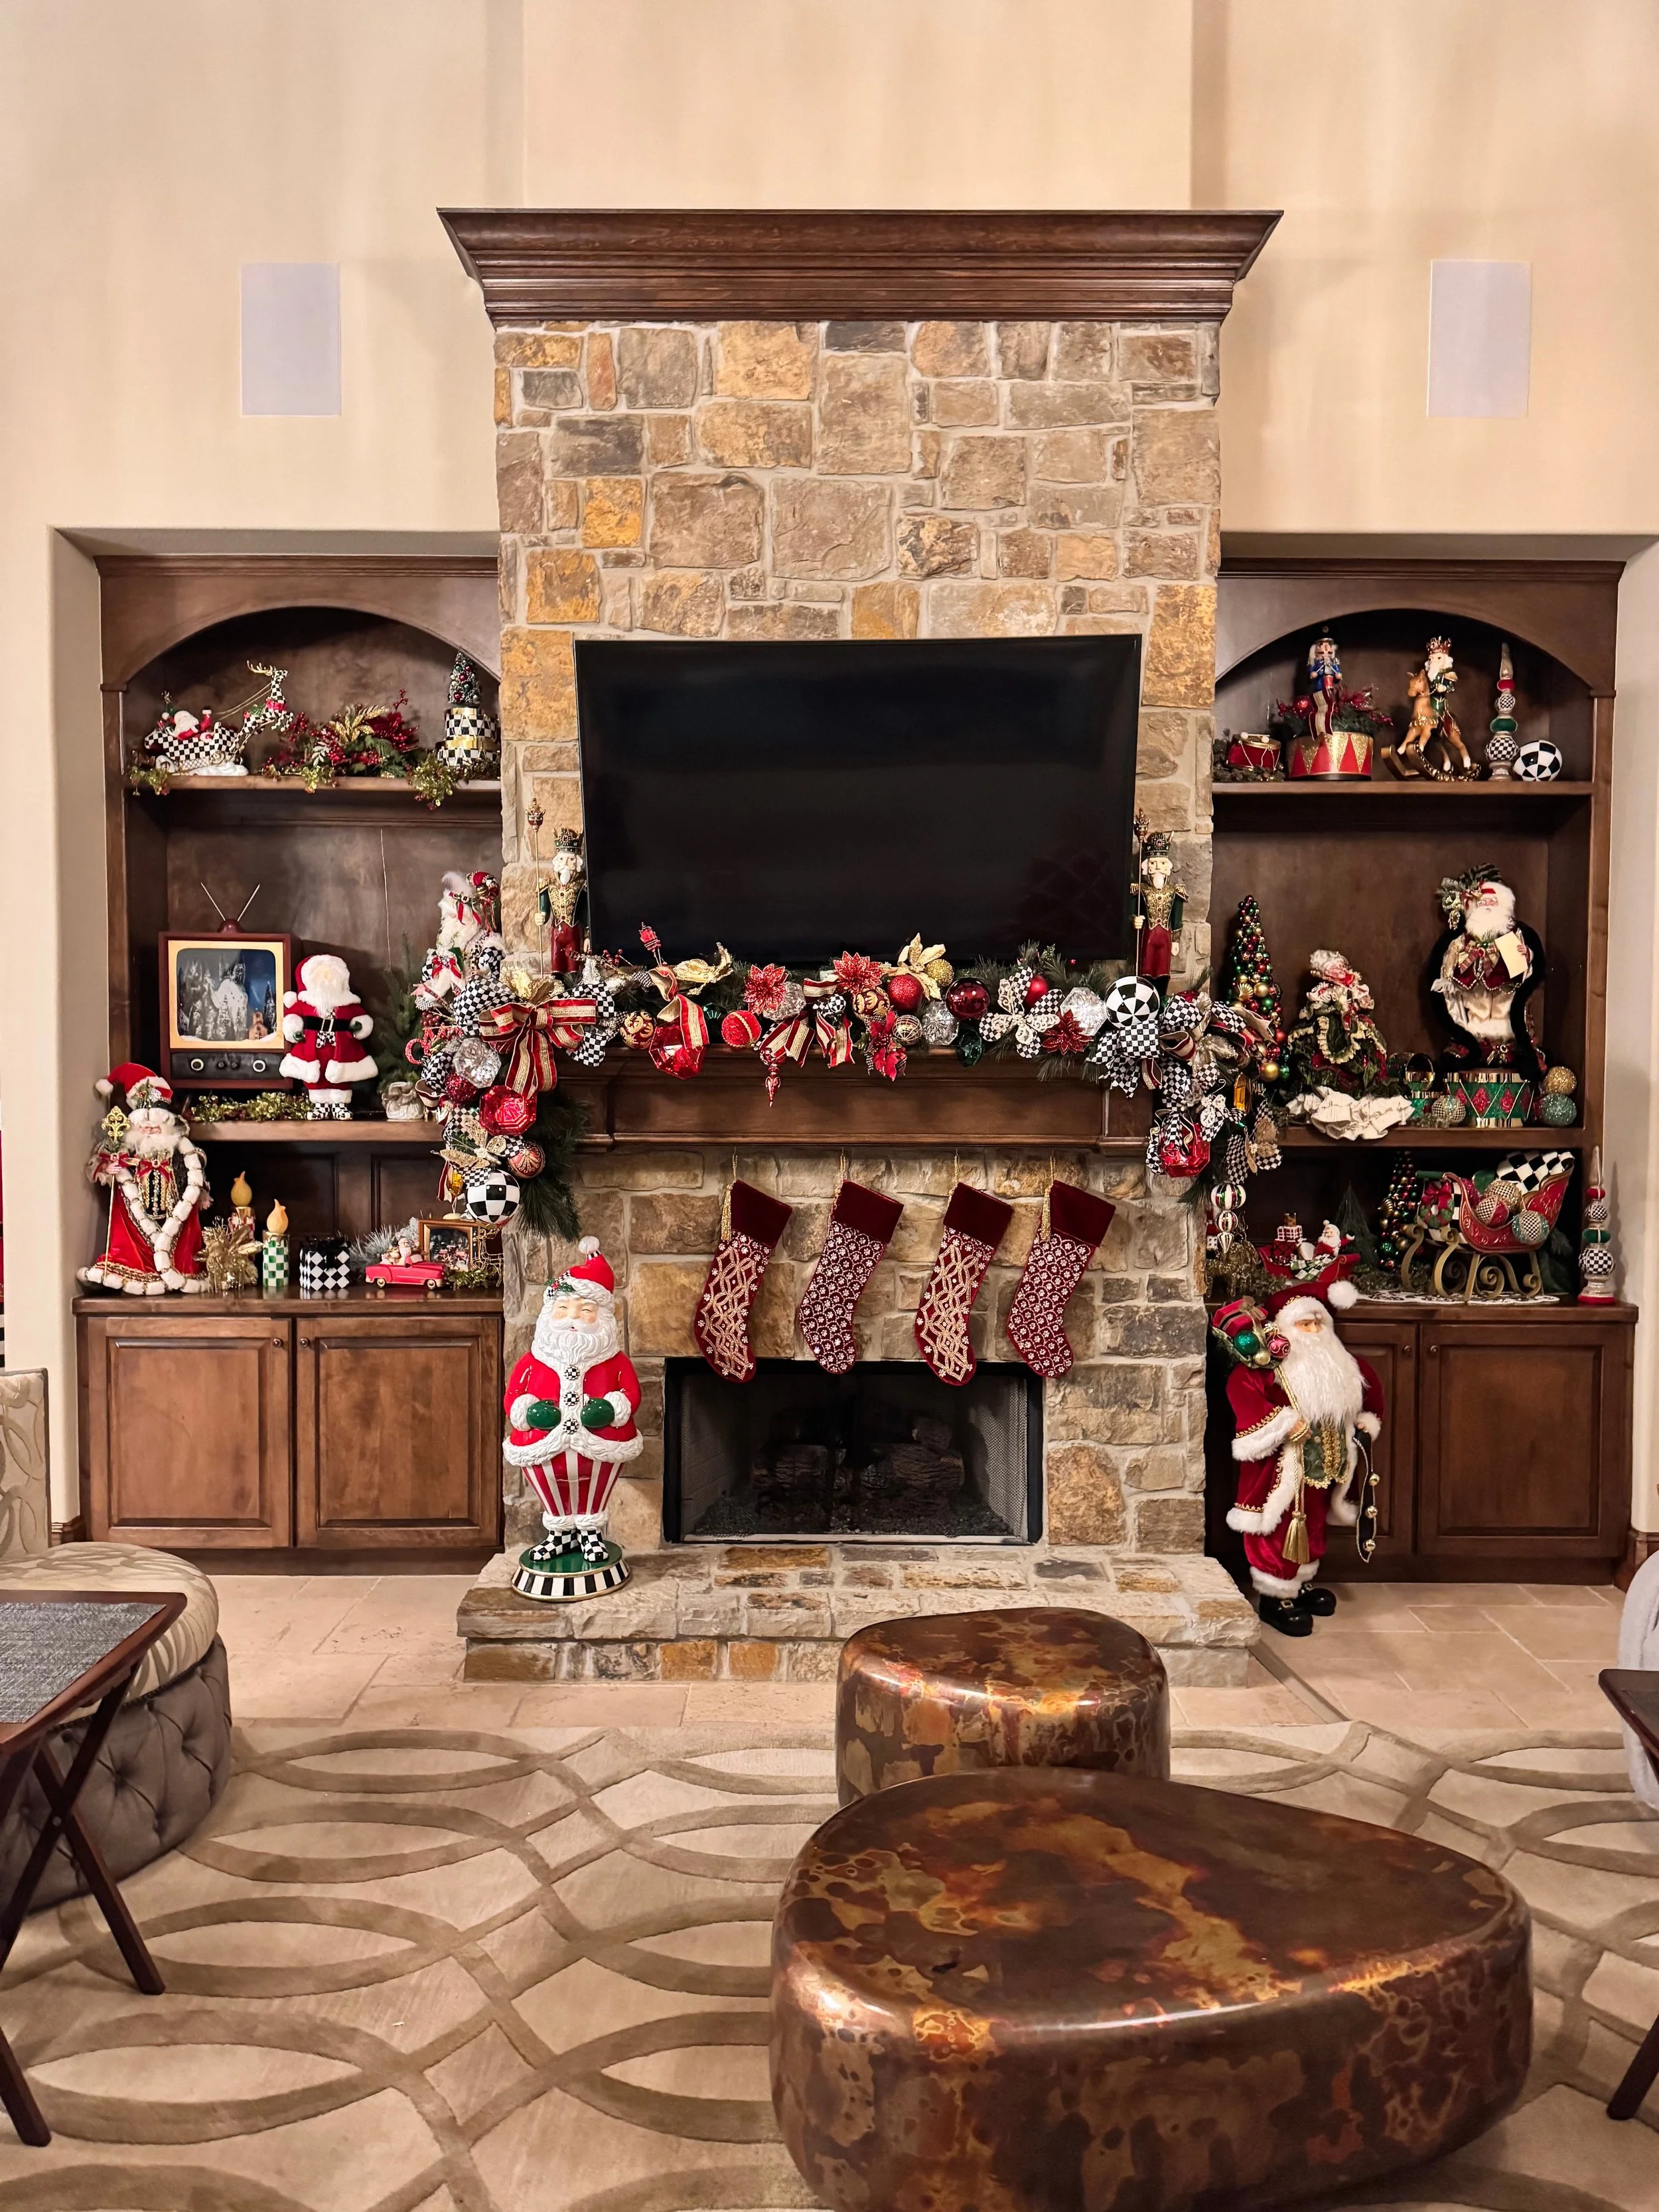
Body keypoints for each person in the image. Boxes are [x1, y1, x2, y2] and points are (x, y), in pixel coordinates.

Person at [504, 1240, 642, 1595]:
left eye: (586, 1311)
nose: (574, 1319)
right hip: (542, 1445)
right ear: (550, 1315)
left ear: (603, 1317)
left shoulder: (614, 1361)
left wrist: (612, 1408)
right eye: (563, 1309)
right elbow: (514, 1395)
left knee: (594, 1487)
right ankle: (560, 1533)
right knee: (551, 1486)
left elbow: (630, 1394)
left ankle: (592, 1534)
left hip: (600, 1445)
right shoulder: (534, 1361)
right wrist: (527, 1410)